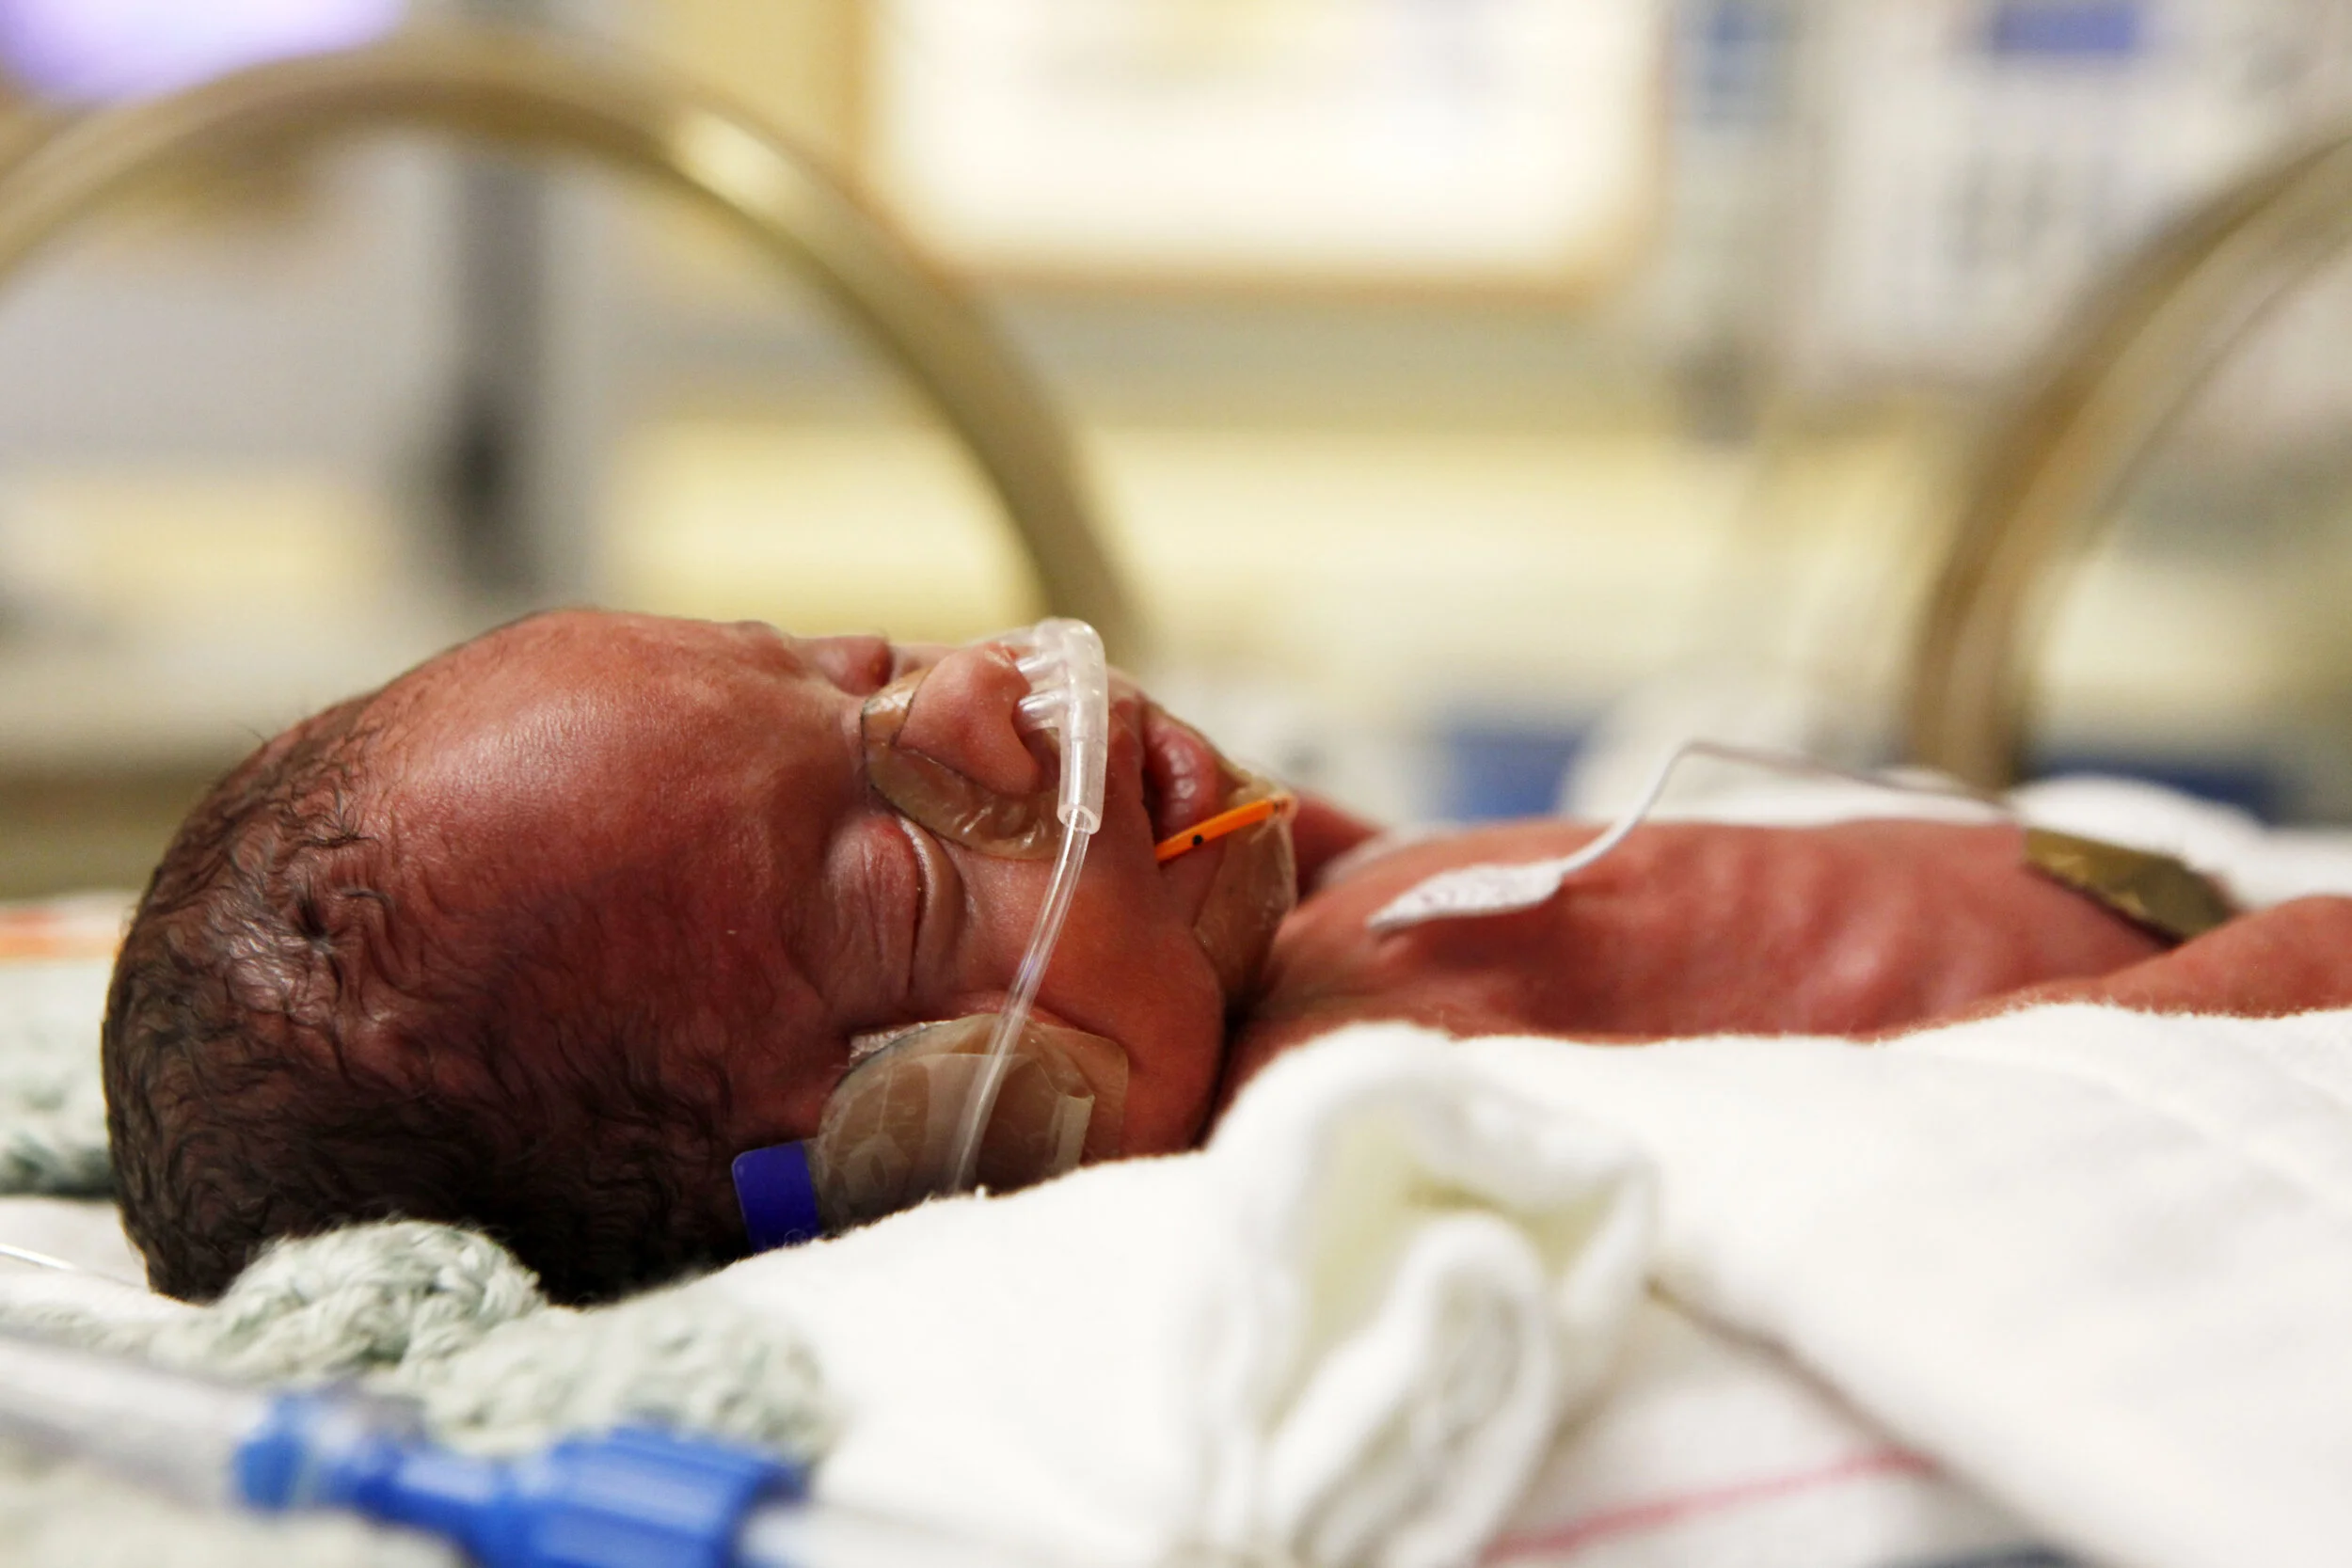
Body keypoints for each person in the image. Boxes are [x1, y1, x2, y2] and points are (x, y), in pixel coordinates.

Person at [101, 609, 2352, 1305]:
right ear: (893, 1158)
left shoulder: (1266, 934)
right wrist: (2281, 963)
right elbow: (1963, 1123)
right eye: (889, 864)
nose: (983, 695)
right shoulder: (1350, 1109)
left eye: (840, 658)